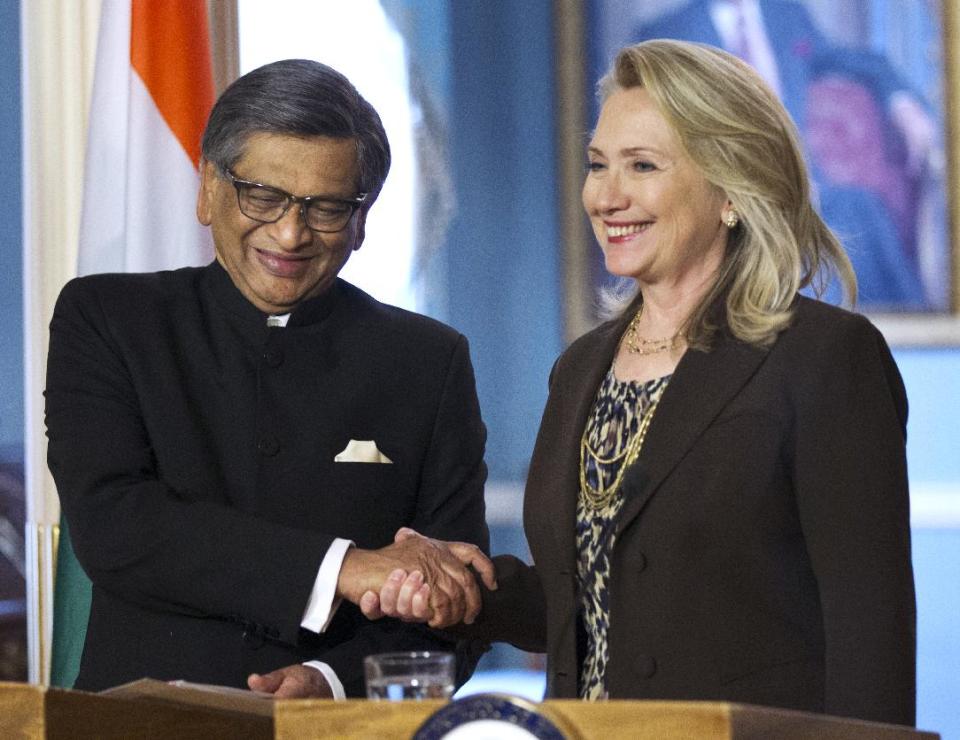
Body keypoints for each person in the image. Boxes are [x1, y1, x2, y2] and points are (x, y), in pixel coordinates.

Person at [366, 40, 916, 726]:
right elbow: (603, 595)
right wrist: (473, 589)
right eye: (599, 165)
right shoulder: (580, 367)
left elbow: (871, 636)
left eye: (642, 166)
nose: (606, 195)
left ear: (731, 192)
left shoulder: (824, 358)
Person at [44, 59, 494, 699]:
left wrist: (331, 681)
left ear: (362, 219)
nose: (290, 232)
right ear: (207, 189)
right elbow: (117, 527)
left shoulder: (428, 360)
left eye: (327, 208)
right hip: (138, 725)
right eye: (263, 196)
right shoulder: (109, 319)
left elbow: (456, 604)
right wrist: (345, 568)